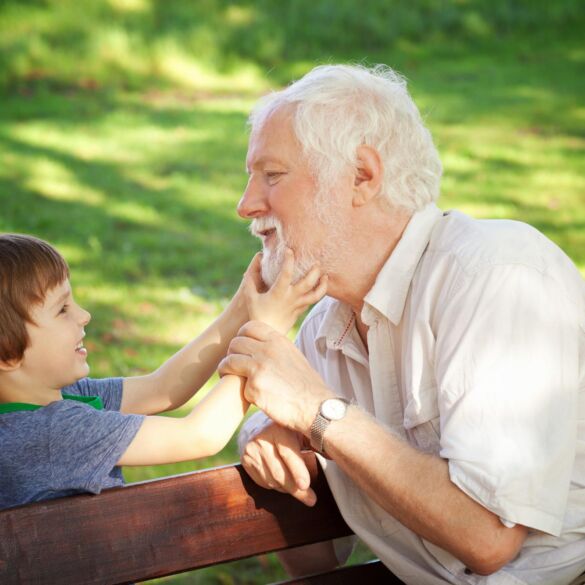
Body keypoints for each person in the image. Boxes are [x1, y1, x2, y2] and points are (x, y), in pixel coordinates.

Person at [219, 64, 585, 584]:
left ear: (363, 176)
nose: (245, 204)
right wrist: (274, 445)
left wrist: (316, 411)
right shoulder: (324, 326)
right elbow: (318, 563)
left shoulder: (497, 275)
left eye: (273, 175)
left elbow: (487, 538)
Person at [0, 233, 326, 510]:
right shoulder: (52, 433)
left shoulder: (55, 400)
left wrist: (243, 303)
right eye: (62, 310)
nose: (84, 315)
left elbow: (162, 388)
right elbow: (200, 435)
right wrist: (265, 332)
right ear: (7, 353)